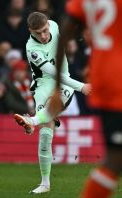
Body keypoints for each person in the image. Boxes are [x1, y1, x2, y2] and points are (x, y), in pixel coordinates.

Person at [49, 1, 122, 197]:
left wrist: (56, 88)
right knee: (116, 158)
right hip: (117, 83)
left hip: (103, 78)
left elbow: (62, 36)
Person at [13, 12, 91, 194]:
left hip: (63, 84)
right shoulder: (32, 49)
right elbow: (52, 72)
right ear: (30, 31)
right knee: (46, 136)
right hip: (42, 86)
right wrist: (82, 87)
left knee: (49, 110)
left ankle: (32, 121)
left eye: (45, 30)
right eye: (38, 32)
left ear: (48, 24)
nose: (43, 35)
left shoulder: (54, 25)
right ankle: (45, 184)